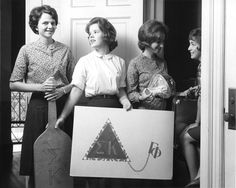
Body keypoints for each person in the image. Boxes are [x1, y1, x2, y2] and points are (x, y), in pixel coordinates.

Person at [55, 17, 131, 188]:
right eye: (89, 33)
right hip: (92, 111)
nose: (91, 36)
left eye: (95, 32)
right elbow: (76, 91)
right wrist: (63, 117)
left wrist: (125, 100)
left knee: (114, 158)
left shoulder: (120, 62)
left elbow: (120, 89)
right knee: (92, 160)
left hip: (116, 110)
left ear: (107, 34)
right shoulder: (84, 61)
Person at [9, 5, 76, 188]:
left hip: (63, 107)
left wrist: (62, 89)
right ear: (36, 25)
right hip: (38, 107)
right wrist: (41, 87)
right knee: (36, 155)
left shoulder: (66, 50)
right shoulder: (26, 50)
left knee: (62, 153)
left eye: (53, 22)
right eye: (45, 22)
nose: (50, 26)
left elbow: (74, 82)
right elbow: (13, 83)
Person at [126, 19, 175, 110]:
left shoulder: (162, 62)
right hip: (144, 113)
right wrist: (141, 97)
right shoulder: (135, 63)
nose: (162, 45)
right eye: (158, 42)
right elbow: (130, 93)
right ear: (147, 40)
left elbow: (166, 90)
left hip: (162, 112)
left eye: (163, 42)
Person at [179, 28, 201, 187]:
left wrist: (198, 122)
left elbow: (203, 98)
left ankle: (195, 180)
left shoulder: (203, 66)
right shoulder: (203, 65)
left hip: (208, 122)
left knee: (187, 137)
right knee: (189, 135)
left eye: (192, 44)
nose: (189, 48)